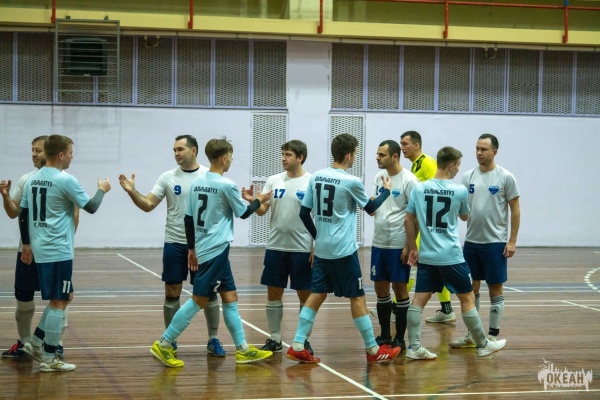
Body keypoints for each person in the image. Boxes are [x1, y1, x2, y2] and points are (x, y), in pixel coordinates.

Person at [150, 138, 274, 367]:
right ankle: (164, 343)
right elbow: (244, 213)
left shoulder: (197, 182)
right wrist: (259, 200)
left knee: (230, 296)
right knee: (199, 299)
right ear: (224, 158)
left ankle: (242, 349)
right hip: (214, 250)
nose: (232, 160)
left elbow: (188, 219)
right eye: (231, 156)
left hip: (207, 247)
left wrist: (191, 248)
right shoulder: (226, 185)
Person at [285, 133, 401, 364]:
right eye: (355, 153)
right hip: (344, 251)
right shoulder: (351, 181)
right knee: (357, 297)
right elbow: (371, 208)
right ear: (349, 155)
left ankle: (298, 344)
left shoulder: (316, 176)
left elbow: (304, 213)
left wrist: (318, 237)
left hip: (323, 250)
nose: (355, 156)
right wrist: (386, 191)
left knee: (317, 294)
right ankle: (373, 350)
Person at [118, 135, 224, 357]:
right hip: (174, 243)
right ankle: (170, 341)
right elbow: (148, 204)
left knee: (208, 292)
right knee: (171, 291)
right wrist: (131, 192)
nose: (176, 153)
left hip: (203, 245)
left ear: (193, 150)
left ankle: (213, 339)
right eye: (174, 150)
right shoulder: (167, 177)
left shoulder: (209, 176)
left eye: (180, 149)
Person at [404, 146, 506, 360]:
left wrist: (413, 248)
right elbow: (465, 216)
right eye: (458, 165)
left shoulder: (419, 189)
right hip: (451, 256)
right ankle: (483, 344)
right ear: (451, 165)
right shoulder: (459, 190)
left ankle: (413, 347)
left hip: (427, 255)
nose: (459, 169)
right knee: (467, 297)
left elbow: (408, 220)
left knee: (419, 298)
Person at [19, 134, 111, 371]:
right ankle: (50, 358)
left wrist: (27, 243)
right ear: (61, 155)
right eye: (71, 153)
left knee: (65, 296)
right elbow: (91, 206)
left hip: (40, 247)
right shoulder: (65, 180)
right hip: (57, 249)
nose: (72, 157)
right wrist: (102, 190)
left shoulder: (33, 179)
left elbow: (23, 214)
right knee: (59, 301)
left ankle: (36, 342)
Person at [1, 136, 76, 361]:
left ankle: (55, 343)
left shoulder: (64, 180)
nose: (34, 154)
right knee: (23, 295)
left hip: (53, 251)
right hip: (27, 251)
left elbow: (75, 215)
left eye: (38, 150)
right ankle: (26, 343)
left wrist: (65, 244)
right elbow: (15, 213)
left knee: (61, 296)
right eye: (32, 150)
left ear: (50, 152)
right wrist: (5, 197)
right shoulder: (27, 179)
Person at [450, 134, 520, 349]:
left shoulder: (505, 177)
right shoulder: (468, 177)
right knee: (470, 289)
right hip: (471, 242)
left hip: (495, 243)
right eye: (477, 149)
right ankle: (473, 334)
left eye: (484, 149)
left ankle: (492, 335)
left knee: (495, 289)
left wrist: (512, 241)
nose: (479, 153)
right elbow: (461, 210)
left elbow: (515, 210)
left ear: (494, 152)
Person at [254, 140, 314, 354]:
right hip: (275, 246)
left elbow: (318, 216)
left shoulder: (311, 182)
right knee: (273, 292)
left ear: (300, 157)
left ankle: (303, 340)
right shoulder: (274, 180)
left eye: (288, 154)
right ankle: (275, 338)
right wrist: (254, 201)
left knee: (305, 295)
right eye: (282, 154)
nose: (283, 158)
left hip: (302, 248)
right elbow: (262, 210)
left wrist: (316, 244)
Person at [400, 130, 456, 323]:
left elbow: (438, 190)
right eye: (401, 143)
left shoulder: (428, 163)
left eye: (405, 144)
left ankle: (395, 308)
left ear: (416, 145)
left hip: (426, 226)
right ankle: (447, 310)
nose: (402, 147)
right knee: (434, 268)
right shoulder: (416, 165)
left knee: (411, 263)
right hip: (420, 223)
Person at [369, 140, 419, 352]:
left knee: (399, 288)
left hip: (399, 244)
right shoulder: (379, 177)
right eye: (377, 154)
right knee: (380, 288)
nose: (377, 158)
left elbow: (416, 217)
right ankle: (385, 335)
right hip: (379, 242)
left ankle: (400, 338)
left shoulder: (410, 180)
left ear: (395, 156)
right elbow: (373, 207)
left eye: (382, 155)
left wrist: (409, 246)